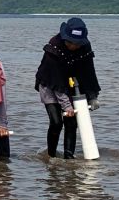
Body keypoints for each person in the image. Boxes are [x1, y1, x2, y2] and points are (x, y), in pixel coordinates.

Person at [34, 17, 100, 159]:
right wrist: (67, 106)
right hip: (49, 84)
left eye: (77, 43)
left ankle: (68, 157)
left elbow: (89, 73)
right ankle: (51, 156)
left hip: (70, 83)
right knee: (57, 122)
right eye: (70, 42)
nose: (74, 46)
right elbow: (57, 83)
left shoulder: (85, 47)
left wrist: (93, 96)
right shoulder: (54, 48)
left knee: (71, 122)